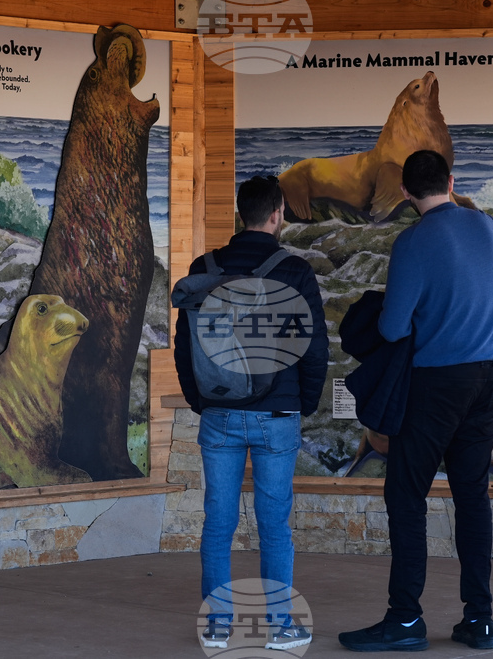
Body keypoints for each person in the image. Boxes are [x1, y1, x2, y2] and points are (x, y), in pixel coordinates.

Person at [339, 150, 493, 652]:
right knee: (471, 495)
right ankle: (480, 620)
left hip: (438, 383)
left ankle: (406, 619)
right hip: (491, 377)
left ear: (406, 193)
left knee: (406, 495)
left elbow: (392, 328)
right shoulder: (484, 225)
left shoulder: (412, 242)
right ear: (451, 182)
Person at [173, 175, 329, 652]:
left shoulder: (205, 268)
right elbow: (314, 350)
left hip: (218, 413)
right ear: (278, 214)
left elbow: (184, 347)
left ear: (241, 214)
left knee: (218, 523)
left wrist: (201, 401)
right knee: (274, 526)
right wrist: (303, 403)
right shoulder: (294, 271)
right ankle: (280, 627)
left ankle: (218, 627)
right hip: (278, 415)